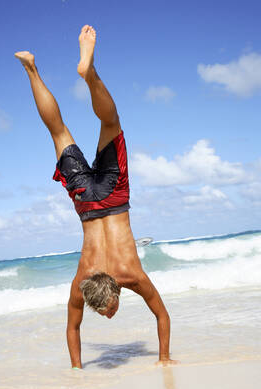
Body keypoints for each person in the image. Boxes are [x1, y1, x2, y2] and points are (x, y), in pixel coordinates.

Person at [15, 25, 177, 369]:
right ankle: (36, 67)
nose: (107, 315)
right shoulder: (82, 281)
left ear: (114, 292)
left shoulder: (132, 276)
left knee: (105, 124)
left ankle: (72, 72)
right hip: (88, 202)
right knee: (59, 132)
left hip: (113, 197)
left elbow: (162, 316)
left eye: (107, 310)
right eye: (106, 312)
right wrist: (160, 360)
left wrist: (79, 371)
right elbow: (73, 327)